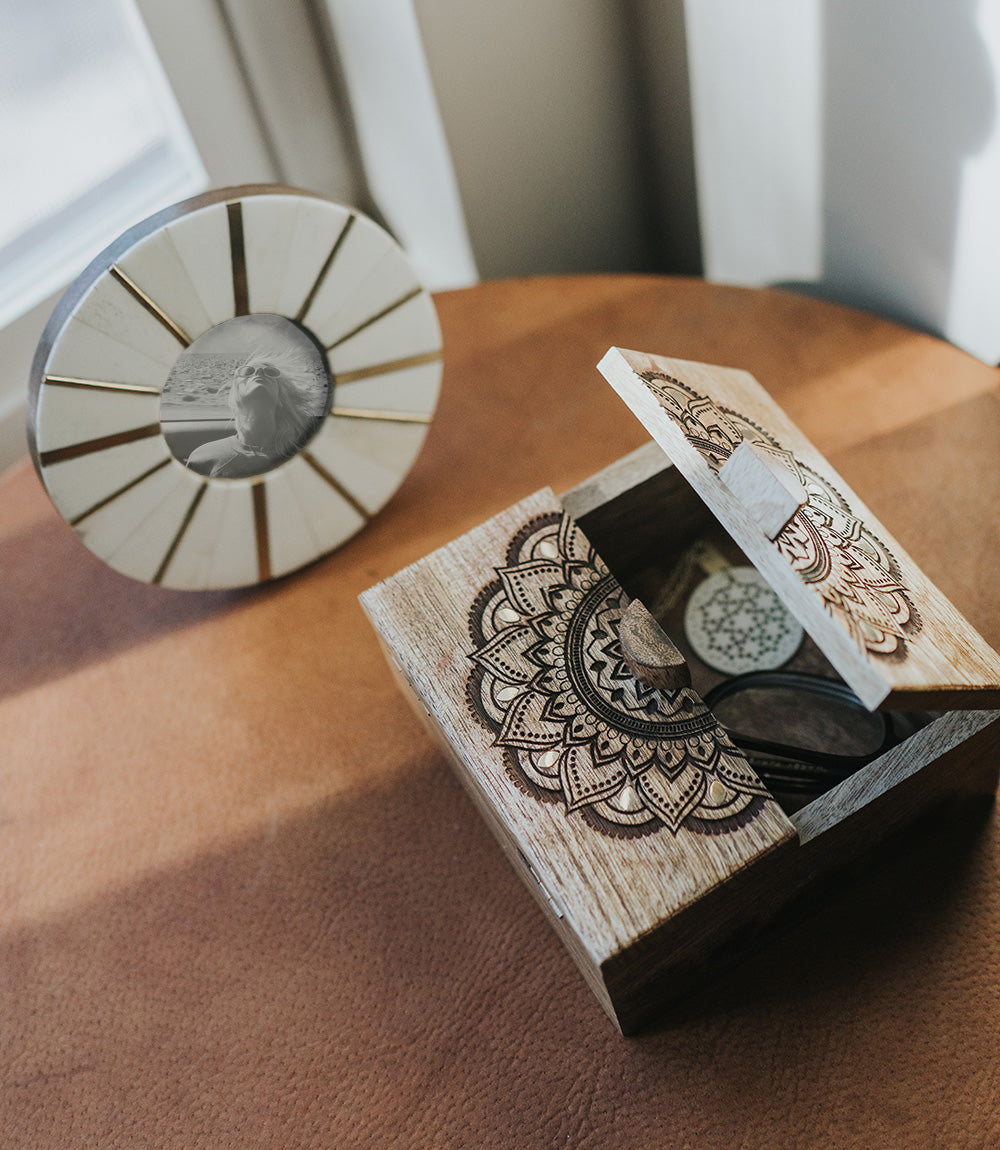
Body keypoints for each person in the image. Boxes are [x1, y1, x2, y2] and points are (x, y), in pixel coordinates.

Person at [185, 351, 326, 479]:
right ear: (236, 396)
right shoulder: (203, 457)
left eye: (270, 372)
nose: (259, 373)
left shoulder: (306, 455)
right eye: (247, 372)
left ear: (280, 399)